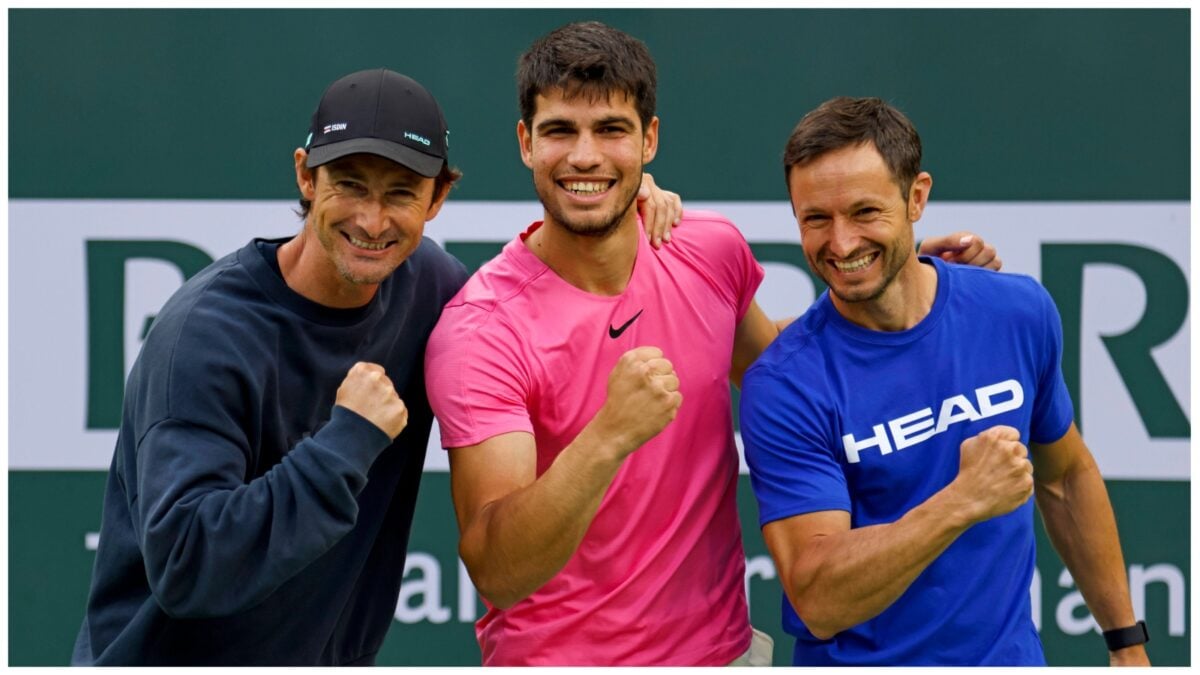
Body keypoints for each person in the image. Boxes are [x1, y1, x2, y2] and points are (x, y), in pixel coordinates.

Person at [423, 22, 1000, 667]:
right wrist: (609, 435)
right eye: (560, 131)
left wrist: (906, 279)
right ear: (527, 143)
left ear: (650, 139)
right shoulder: (482, 329)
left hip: (723, 656)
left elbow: (786, 365)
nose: (584, 157)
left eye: (611, 130)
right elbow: (499, 571)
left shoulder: (707, 249)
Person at [739, 96, 1151, 666]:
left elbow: (1066, 478)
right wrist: (961, 501)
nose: (841, 243)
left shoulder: (1016, 309)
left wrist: (1127, 645)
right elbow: (819, 599)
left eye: (865, 212)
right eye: (816, 219)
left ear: (916, 197)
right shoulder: (785, 385)